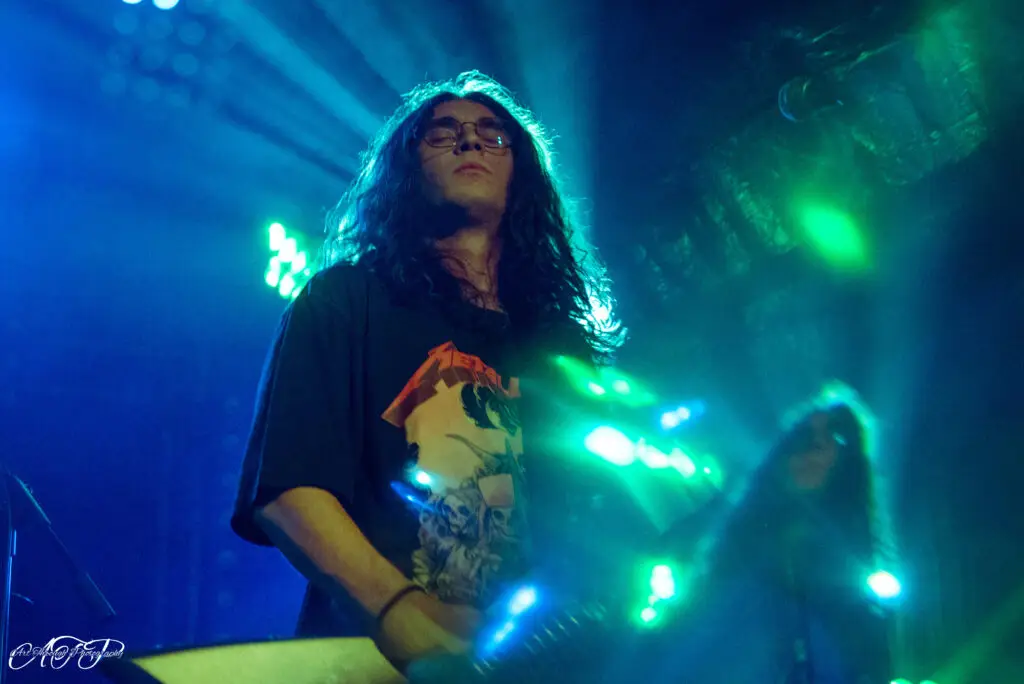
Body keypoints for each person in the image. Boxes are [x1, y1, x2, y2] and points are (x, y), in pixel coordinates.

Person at [230, 71, 617, 671]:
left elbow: (597, 525)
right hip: (374, 662)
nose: (469, 141)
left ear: (521, 172)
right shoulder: (346, 300)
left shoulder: (562, 347)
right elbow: (288, 493)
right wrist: (405, 617)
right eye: (443, 133)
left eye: (493, 133)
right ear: (407, 169)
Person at [658, 400, 892, 683]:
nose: (815, 446)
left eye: (836, 435)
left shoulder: (851, 592)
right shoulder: (733, 562)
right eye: (804, 436)